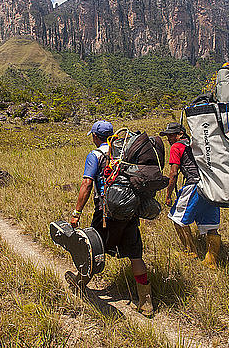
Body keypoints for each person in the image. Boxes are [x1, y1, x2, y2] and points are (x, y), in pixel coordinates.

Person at [68, 120, 154, 316]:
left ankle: (80, 281)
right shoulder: (124, 152)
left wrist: (77, 212)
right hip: (130, 209)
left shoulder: (95, 155)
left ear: (96, 137)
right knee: (135, 254)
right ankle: (146, 301)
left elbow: (87, 184)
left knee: (91, 248)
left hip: (105, 211)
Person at [160, 122, 221, 269]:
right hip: (211, 186)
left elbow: (173, 173)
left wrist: (168, 194)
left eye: (171, 135)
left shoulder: (177, 147)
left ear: (180, 134)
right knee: (210, 225)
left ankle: (190, 252)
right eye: (167, 136)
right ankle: (212, 260)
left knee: (177, 219)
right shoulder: (198, 144)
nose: (169, 139)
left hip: (193, 185)